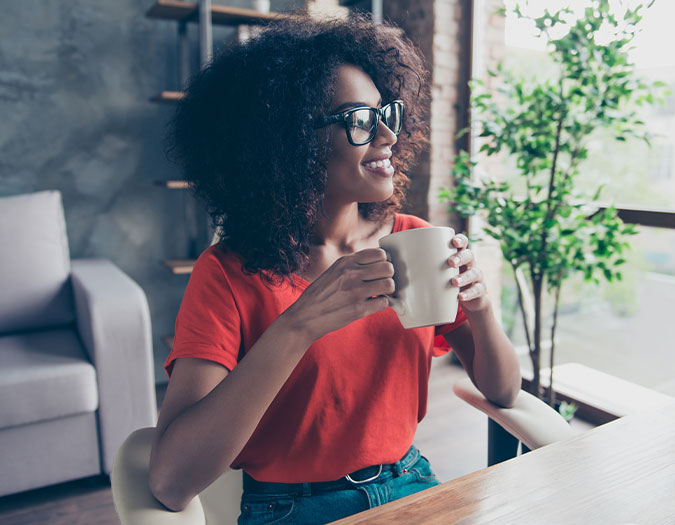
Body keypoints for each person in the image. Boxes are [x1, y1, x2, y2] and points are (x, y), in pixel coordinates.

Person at [148, 13, 521, 525]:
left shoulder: (413, 241)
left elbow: (504, 391)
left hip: (411, 481)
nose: (387, 134)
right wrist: (297, 327)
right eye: (359, 119)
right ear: (289, 140)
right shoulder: (228, 274)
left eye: (385, 112)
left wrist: (480, 308)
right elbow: (171, 482)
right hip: (290, 508)